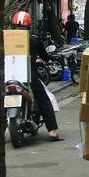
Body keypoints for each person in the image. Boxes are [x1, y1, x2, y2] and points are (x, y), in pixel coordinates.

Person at [11, 11, 61, 140]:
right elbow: (44, 55)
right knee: (44, 99)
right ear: (28, 26)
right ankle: (52, 131)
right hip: (28, 76)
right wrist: (48, 60)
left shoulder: (6, 38)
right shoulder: (34, 39)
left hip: (9, 76)